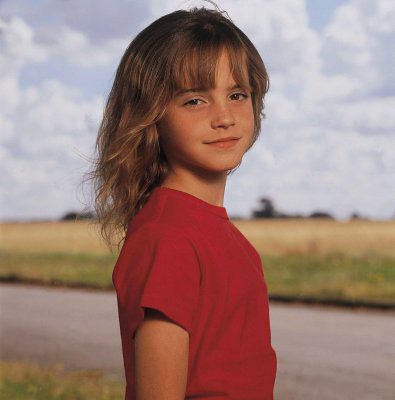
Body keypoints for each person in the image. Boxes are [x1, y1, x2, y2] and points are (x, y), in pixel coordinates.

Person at [86, 2, 277, 399]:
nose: (224, 116)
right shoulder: (168, 238)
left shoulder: (220, 235)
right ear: (150, 114)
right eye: (195, 100)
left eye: (237, 94)